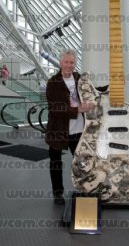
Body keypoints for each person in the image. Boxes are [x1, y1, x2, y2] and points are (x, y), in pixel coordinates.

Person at [45, 49, 95, 205]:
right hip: (57, 129)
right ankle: (58, 193)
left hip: (79, 129)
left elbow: (92, 93)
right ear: (60, 63)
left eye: (72, 62)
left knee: (82, 162)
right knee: (55, 162)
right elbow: (55, 108)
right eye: (66, 62)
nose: (69, 65)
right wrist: (78, 109)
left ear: (75, 63)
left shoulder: (80, 79)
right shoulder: (53, 83)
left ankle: (85, 189)